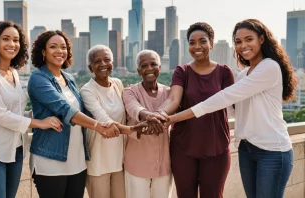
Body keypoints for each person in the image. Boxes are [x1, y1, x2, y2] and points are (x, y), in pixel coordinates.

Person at [164, 19, 297, 198]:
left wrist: (173, 118)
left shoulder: (269, 67)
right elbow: (232, 109)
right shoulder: (243, 74)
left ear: (262, 39)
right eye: (238, 42)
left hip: (272, 151)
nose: (243, 45)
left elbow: (225, 97)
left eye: (249, 39)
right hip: (247, 149)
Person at [28, 31, 144, 198]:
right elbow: (65, 109)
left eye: (63, 47)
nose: (59, 51)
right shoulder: (38, 79)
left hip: (78, 159)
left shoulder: (69, 78)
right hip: (51, 158)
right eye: (53, 47)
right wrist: (99, 126)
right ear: (43, 52)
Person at [0, 21, 62, 198]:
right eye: (6, 39)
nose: (12, 44)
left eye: (16, 40)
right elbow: (1, 115)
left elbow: (17, 114)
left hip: (16, 151)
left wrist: (44, 112)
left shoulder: (13, 72)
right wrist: (39, 123)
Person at [154, 22, 235, 198]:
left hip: (216, 147)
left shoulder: (224, 72)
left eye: (202, 41)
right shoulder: (182, 71)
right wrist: (161, 113)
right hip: (183, 148)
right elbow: (173, 99)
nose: (197, 46)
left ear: (211, 43)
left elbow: (236, 102)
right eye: (192, 42)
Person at [80, 45, 146, 198]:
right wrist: (132, 130)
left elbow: (128, 110)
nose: (103, 64)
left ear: (113, 63)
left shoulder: (117, 84)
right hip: (98, 159)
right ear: (90, 67)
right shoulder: (87, 90)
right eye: (97, 61)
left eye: (107, 60)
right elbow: (104, 120)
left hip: (119, 158)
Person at [122, 49, 172, 198]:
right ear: (138, 71)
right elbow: (133, 108)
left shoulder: (169, 93)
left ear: (160, 68)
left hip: (163, 163)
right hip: (137, 163)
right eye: (144, 65)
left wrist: (152, 119)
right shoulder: (130, 91)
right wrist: (152, 117)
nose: (149, 68)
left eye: (153, 64)